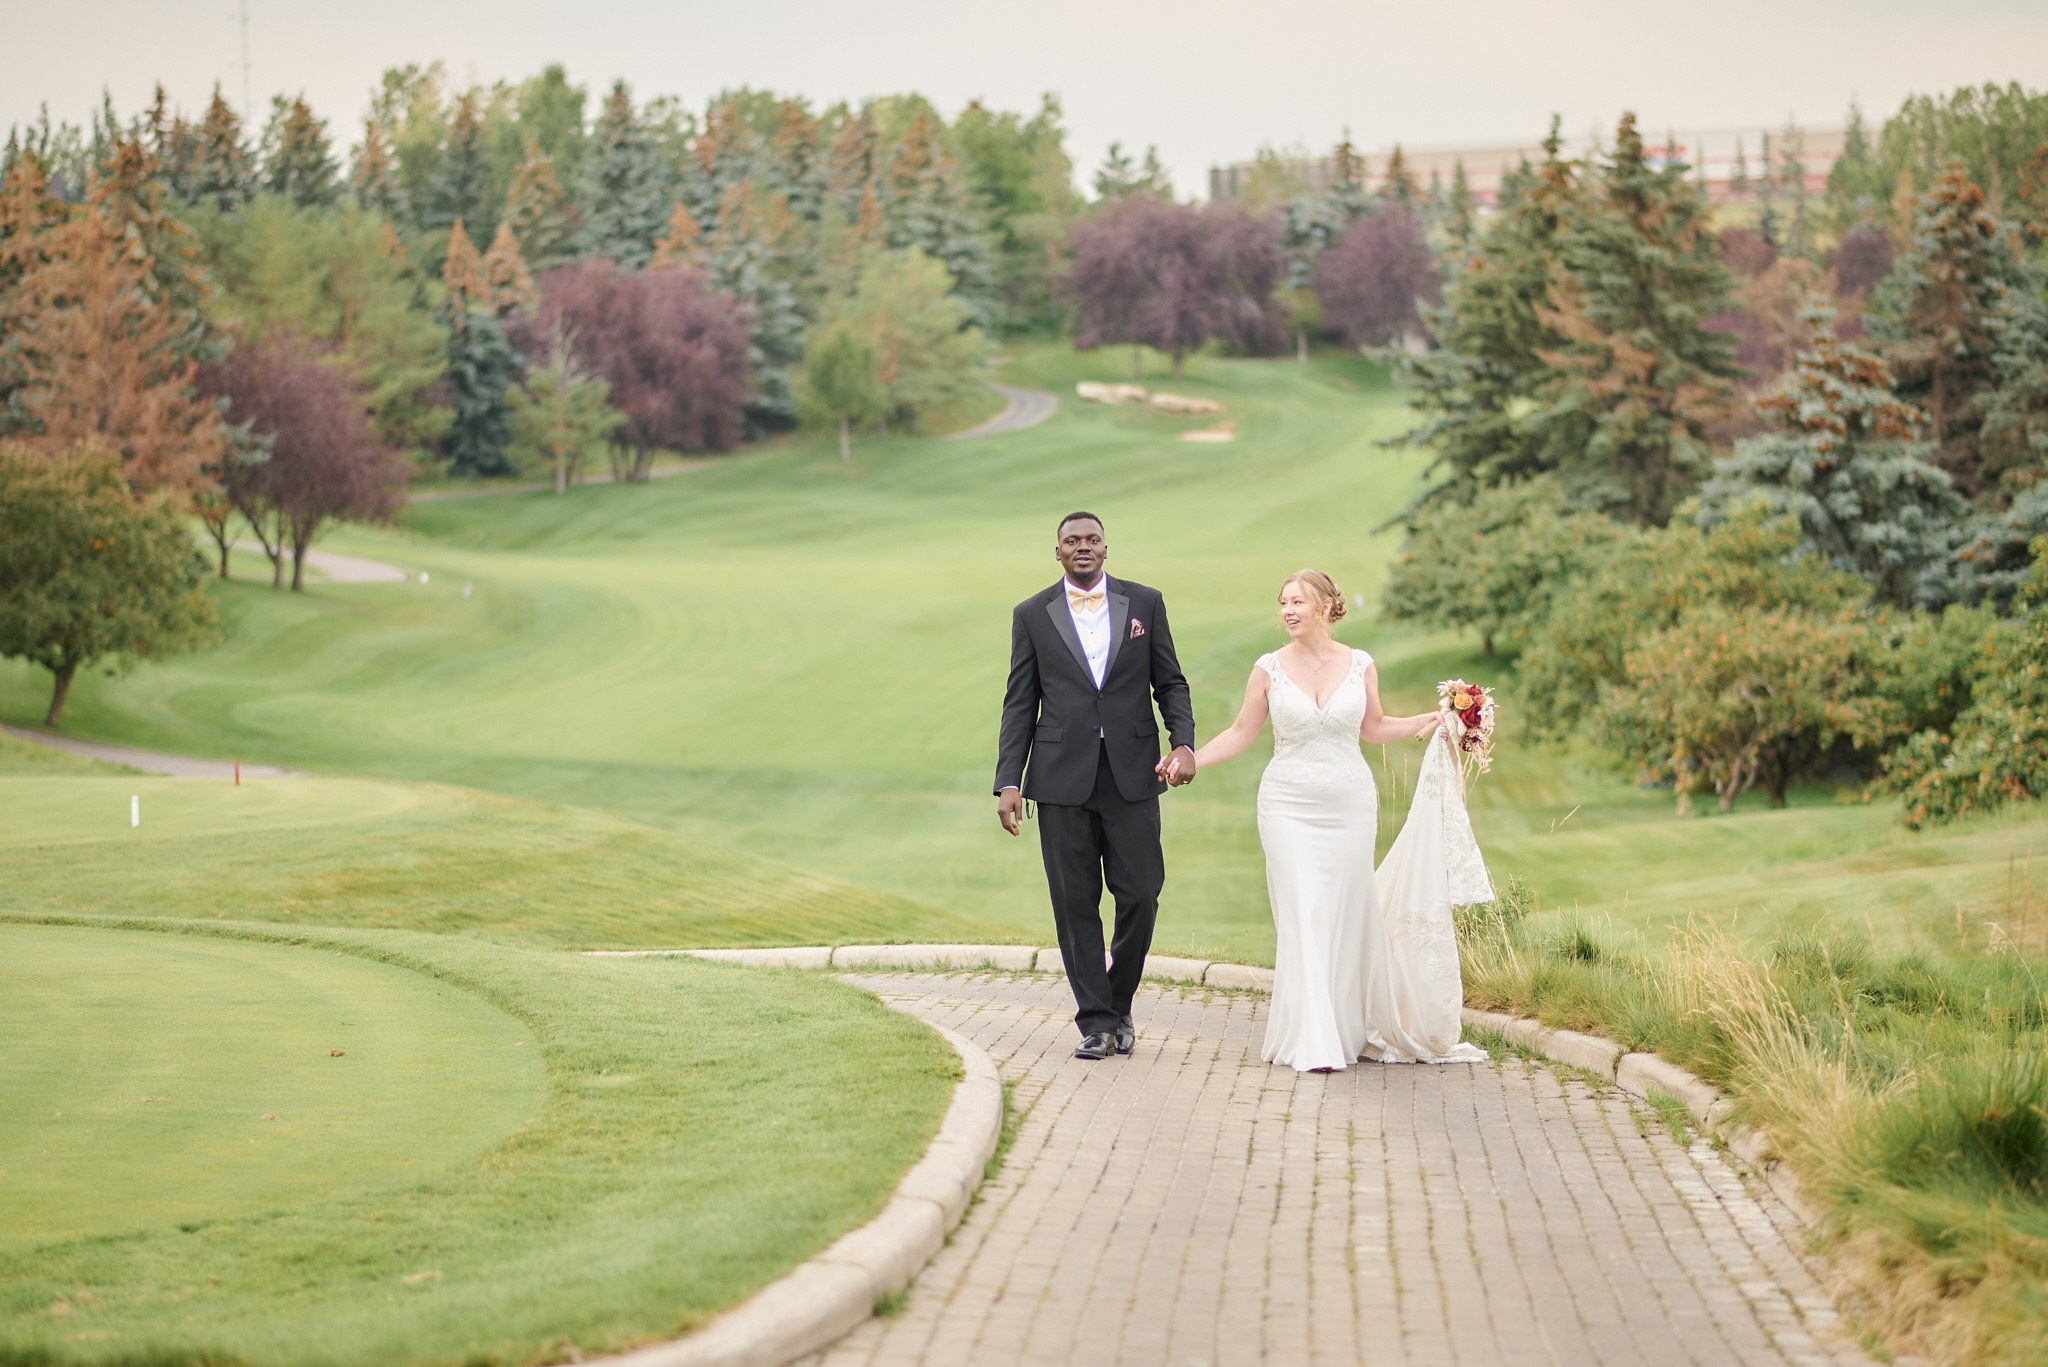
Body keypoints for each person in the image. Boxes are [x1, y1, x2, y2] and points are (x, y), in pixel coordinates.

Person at [1169, 570, 1487, 1072]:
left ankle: (1344, 1029)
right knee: (1305, 910)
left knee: (1343, 912)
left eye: (1297, 601)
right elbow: (1240, 732)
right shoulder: (1267, 669)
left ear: (1324, 606)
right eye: (1283, 603)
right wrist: (1189, 760)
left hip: (1350, 805)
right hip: (1287, 806)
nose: (1288, 611)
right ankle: (1312, 1039)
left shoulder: (1360, 665)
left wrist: (1431, 720)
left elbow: (1375, 727)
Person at [994, 512, 1196, 1060]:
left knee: (1141, 894)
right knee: (1074, 902)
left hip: (1133, 775)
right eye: (1071, 541)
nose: (1082, 547)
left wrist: (1183, 742)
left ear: (1106, 548)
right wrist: (1008, 779)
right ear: (1056, 552)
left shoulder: (1145, 603)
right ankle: (1097, 1022)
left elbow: (1170, 681)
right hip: (1060, 780)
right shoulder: (1032, 614)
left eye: (1092, 540)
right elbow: (1020, 702)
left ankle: (1120, 1000)